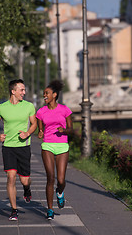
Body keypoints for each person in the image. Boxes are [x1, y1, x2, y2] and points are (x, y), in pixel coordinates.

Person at [0, 79, 37, 221]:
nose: (24, 92)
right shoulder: (1, 108)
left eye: (24, 90)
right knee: (11, 177)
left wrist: (28, 133)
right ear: (13, 91)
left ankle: (27, 189)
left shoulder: (29, 106)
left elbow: (34, 123)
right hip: (8, 148)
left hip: (23, 147)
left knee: (24, 180)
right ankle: (14, 210)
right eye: (21, 90)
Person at [36, 80, 73, 220]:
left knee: (61, 180)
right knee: (50, 177)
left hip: (62, 145)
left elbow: (71, 129)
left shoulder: (64, 110)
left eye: (47, 93)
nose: (44, 95)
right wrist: (40, 131)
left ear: (55, 95)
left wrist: (64, 130)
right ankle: (50, 209)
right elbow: (40, 123)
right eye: (44, 93)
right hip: (47, 145)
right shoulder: (41, 111)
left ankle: (60, 192)